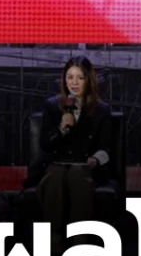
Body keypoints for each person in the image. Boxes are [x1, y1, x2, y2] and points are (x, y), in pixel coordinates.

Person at [29, 56, 116, 223]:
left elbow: (106, 148)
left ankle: (79, 234)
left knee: (77, 174)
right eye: (70, 77)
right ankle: (54, 235)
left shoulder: (101, 110)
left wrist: (95, 160)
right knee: (56, 174)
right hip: (56, 165)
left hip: (86, 167)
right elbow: (45, 144)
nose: (74, 83)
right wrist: (61, 128)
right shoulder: (52, 106)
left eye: (80, 78)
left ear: (88, 80)